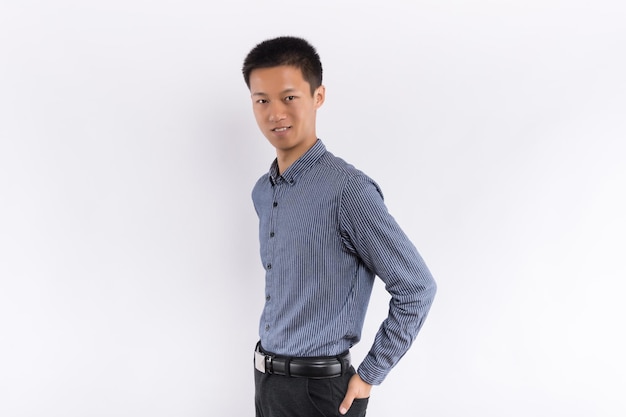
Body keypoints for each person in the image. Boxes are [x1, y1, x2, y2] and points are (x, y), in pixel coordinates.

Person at [242, 36, 437, 417]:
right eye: (261, 100)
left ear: (318, 97)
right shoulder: (263, 192)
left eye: (289, 97)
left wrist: (369, 374)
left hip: (320, 393)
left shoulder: (347, 190)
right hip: (266, 384)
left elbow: (417, 287)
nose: (274, 112)